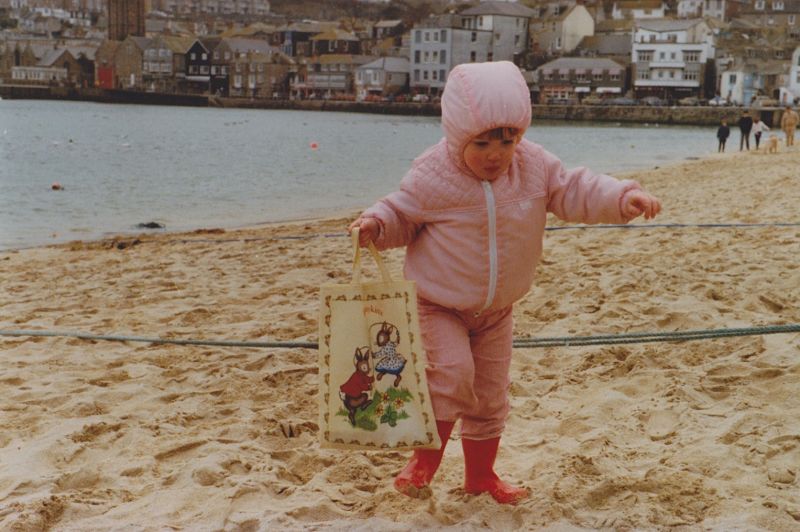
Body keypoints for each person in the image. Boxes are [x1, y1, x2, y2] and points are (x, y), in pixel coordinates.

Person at [347, 61, 661, 505]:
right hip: (437, 304)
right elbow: (401, 214)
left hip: (497, 310)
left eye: (507, 140)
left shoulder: (533, 166)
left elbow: (575, 189)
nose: (496, 153)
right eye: (483, 143)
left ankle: (480, 476)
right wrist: (377, 225)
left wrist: (620, 197)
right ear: (458, 136)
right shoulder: (432, 175)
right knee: (452, 377)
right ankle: (424, 462)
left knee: (490, 395)